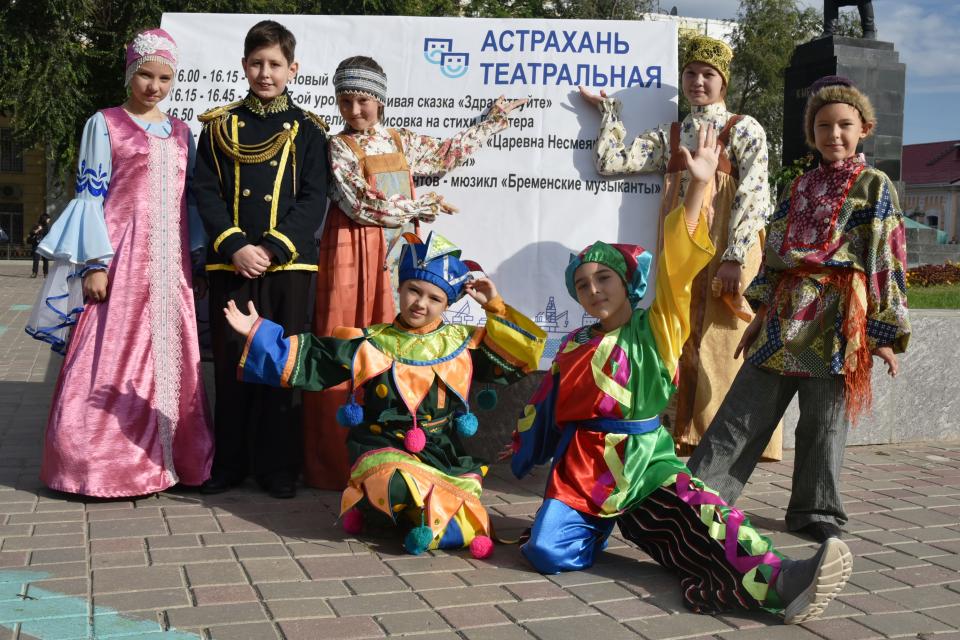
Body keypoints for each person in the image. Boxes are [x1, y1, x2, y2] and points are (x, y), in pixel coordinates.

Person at [508, 123, 851, 624]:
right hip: (583, 468)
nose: (594, 290)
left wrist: (698, 187)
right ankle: (592, 527)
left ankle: (781, 581)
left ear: (627, 283)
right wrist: (522, 447)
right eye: (582, 284)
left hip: (644, 459)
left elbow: (676, 264)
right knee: (544, 551)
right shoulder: (575, 343)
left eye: (604, 278)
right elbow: (547, 400)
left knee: (695, 514)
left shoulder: (657, 325)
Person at [687, 76, 910, 543]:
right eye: (823, 126)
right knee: (743, 411)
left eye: (845, 125)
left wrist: (881, 334)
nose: (834, 134)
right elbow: (773, 255)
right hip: (784, 313)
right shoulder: (799, 185)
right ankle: (700, 497)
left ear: (864, 129)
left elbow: (886, 258)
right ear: (812, 134)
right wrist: (759, 315)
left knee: (824, 422)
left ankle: (815, 509)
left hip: (838, 319)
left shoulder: (874, 185)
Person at [226, 231, 546, 556]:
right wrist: (260, 333)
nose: (420, 303)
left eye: (434, 298)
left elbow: (518, 357)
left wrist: (494, 306)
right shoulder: (373, 342)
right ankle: (386, 509)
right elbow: (317, 357)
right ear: (400, 288)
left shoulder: (462, 343)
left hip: (442, 451)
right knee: (397, 485)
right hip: (383, 445)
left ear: (447, 304)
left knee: (459, 521)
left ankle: (407, 516)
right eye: (413, 291)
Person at [306, 55, 528, 491]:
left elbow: (444, 156)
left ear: (380, 100)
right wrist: (422, 205)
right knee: (354, 339)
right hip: (355, 249)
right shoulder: (338, 147)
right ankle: (340, 460)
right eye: (345, 101)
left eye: (363, 100)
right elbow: (360, 203)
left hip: (399, 255)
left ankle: (404, 450)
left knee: (402, 343)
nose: (354, 110)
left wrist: (492, 121)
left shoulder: (398, 138)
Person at [24, 28, 213, 497]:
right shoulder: (105, 123)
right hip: (121, 260)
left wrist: (198, 256)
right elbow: (90, 197)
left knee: (171, 358)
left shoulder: (182, 132)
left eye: (164, 78)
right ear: (129, 72)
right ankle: (95, 464)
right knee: (109, 355)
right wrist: (94, 264)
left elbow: (190, 201)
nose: (154, 86)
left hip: (172, 269)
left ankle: (173, 461)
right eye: (146, 75)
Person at [579, 34, 780, 460]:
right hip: (681, 255)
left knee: (723, 343)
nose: (698, 82)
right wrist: (610, 112)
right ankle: (679, 439)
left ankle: (727, 448)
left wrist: (735, 257)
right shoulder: (672, 134)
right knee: (679, 335)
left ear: (724, 82)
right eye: (691, 73)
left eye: (708, 74)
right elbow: (611, 162)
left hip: (727, 254)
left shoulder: (743, 128)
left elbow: (755, 197)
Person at [193, 20, 329, 499]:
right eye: (256, 63)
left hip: (287, 265)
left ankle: (277, 467)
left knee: (281, 364)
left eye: (274, 64)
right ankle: (229, 463)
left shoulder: (309, 130)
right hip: (231, 262)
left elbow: (313, 197)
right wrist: (235, 246)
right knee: (232, 362)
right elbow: (205, 191)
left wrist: (270, 248)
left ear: (293, 69)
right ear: (244, 66)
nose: (265, 73)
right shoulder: (218, 127)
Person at [28, 214, 50, 278]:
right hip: (37, 244)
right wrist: (38, 229)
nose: (49, 220)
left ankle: (46, 273)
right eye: (48, 219)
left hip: (44, 245)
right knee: (36, 259)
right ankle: (34, 273)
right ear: (44, 219)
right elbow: (31, 233)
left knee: (45, 259)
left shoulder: (47, 227)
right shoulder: (37, 225)